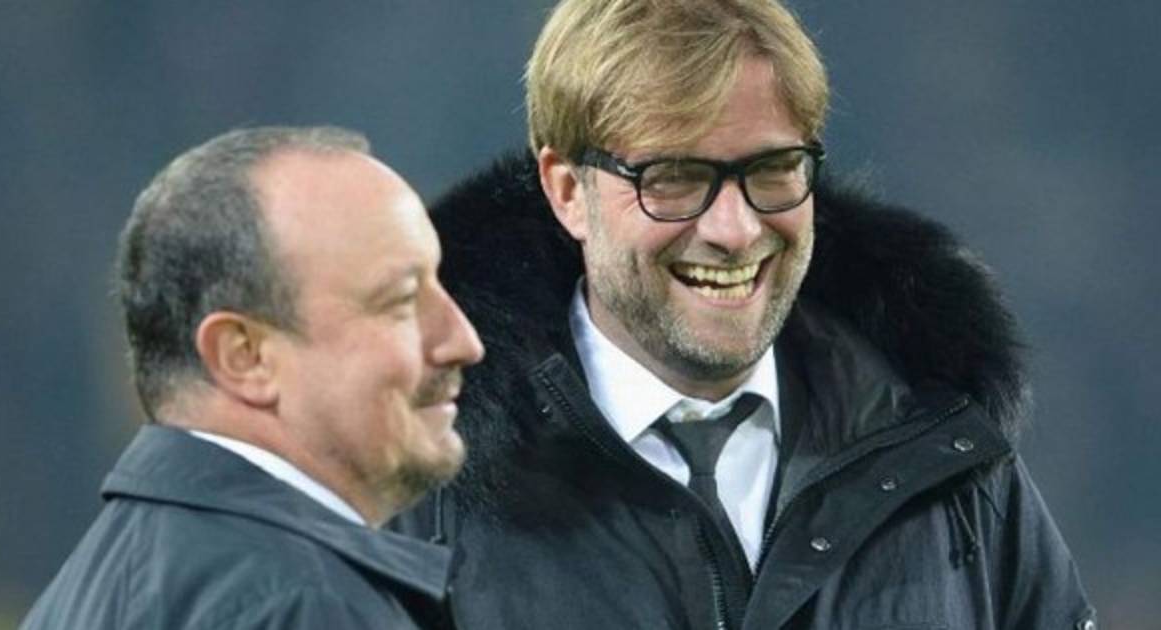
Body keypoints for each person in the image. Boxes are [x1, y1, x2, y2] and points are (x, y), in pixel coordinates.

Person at [390, 1, 1096, 628]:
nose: (735, 229)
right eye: (673, 178)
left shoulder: (944, 447)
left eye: (771, 170)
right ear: (568, 191)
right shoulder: (423, 492)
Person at [21, 126, 484, 629]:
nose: (463, 341)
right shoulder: (304, 604)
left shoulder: (104, 583)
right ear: (244, 357)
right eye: (401, 301)